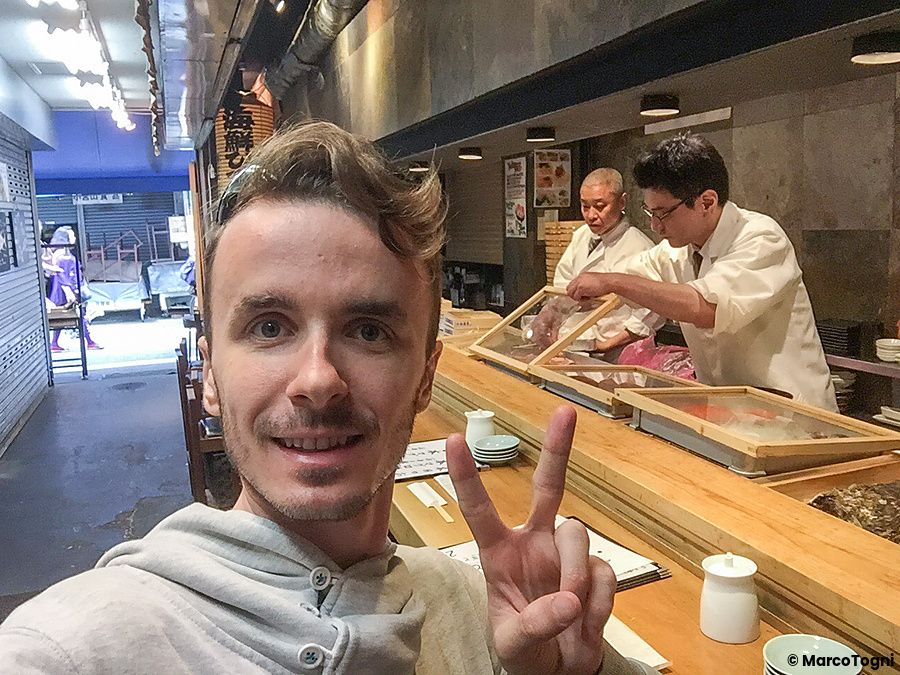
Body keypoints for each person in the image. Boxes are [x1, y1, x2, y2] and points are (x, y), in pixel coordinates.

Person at [0, 122, 654, 674]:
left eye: (368, 331)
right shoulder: (80, 645)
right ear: (211, 374)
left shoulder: (494, 609)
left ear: (426, 374)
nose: (318, 379)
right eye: (269, 327)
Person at [567, 133, 836, 411]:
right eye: (650, 213)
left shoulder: (761, 238)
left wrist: (612, 282)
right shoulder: (677, 250)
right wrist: (561, 307)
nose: (656, 227)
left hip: (795, 415)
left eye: (663, 213)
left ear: (706, 202)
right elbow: (619, 277)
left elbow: (706, 307)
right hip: (733, 411)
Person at [550, 168, 662, 360]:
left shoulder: (640, 247)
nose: (591, 215)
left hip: (616, 355)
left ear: (622, 202)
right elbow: (561, 284)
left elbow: (653, 311)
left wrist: (605, 345)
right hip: (575, 344)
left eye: (600, 206)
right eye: (585, 206)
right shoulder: (581, 236)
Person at [45, 226, 102, 351]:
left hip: (64, 290)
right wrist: (73, 290)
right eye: (71, 235)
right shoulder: (63, 255)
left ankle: (55, 343)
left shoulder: (61, 253)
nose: (74, 238)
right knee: (80, 315)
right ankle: (89, 341)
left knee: (63, 318)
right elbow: (65, 275)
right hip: (68, 291)